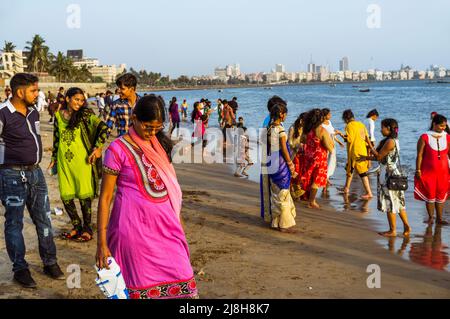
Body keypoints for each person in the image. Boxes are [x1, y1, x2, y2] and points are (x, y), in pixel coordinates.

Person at [96, 94, 198, 299]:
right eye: (148, 127)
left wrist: (180, 229)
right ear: (134, 118)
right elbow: (105, 198)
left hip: (167, 229)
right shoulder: (117, 149)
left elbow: (172, 194)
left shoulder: (159, 146)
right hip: (133, 234)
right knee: (140, 288)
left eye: (157, 128)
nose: (151, 133)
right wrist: (101, 243)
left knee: (183, 277)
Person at [0, 73, 64, 288]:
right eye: (33, 91)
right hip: (11, 177)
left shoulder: (34, 112)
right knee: (14, 224)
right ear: (20, 92)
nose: (38, 94)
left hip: (36, 174)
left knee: (44, 219)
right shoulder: (2, 114)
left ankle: (50, 262)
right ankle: (20, 268)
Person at [49, 87, 108, 242]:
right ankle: (77, 226)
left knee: (84, 197)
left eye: (82, 100)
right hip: (64, 162)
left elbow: (104, 128)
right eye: (76, 99)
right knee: (66, 196)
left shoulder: (86, 115)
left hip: (83, 162)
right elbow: (56, 139)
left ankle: (87, 229)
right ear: (67, 99)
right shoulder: (58, 116)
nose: (79, 103)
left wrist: (97, 148)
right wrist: (54, 157)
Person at [358, 119, 411, 237]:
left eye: (382, 127)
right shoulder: (392, 141)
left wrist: (368, 141)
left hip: (388, 175)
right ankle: (406, 225)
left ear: (388, 128)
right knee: (398, 202)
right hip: (393, 173)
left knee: (390, 203)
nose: (380, 129)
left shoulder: (390, 142)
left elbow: (378, 156)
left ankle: (393, 230)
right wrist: (365, 158)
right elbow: (381, 158)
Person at [260, 99, 297, 233]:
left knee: (275, 193)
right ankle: (284, 224)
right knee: (283, 193)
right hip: (281, 164)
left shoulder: (269, 128)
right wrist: (290, 163)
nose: (286, 116)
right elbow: (284, 150)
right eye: (285, 114)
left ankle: (275, 222)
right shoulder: (280, 130)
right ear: (281, 114)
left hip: (271, 162)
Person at [414, 114, 450, 225]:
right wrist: (418, 170)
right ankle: (431, 218)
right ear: (434, 124)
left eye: (445, 126)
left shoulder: (447, 137)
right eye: (441, 126)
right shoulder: (424, 137)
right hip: (427, 172)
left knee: (440, 195)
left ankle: (439, 218)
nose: (443, 128)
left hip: (444, 172)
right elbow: (419, 155)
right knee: (430, 195)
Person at [300, 109, 334, 209]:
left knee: (311, 178)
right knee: (316, 180)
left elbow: (303, 140)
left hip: (309, 156)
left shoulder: (308, 129)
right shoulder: (322, 130)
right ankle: (311, 201)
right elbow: (330, 147)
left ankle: (310, 199)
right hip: (319, 157)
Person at [342, 109, 373, 199]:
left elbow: (349, 139)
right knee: (350, 170)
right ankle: (346, 188)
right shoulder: (361, 124)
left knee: (362, 173)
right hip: (362, 150)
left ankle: (369, 193)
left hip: (354, 152)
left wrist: (340, 135)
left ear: (345, 119)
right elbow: (366, 138)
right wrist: (370, 150)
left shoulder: (348, 126)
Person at [104, 73, 140, 138]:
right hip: (123, 144)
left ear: (131, 89)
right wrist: (99, 144)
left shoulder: (143, 103)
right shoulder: (116, 104)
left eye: (122, 89)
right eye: (119, 88)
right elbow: (108, 127)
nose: (119, 91)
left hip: (140, 144)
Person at [321, 108, 345, 190]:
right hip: (326, 145)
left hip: (332, 144)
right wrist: (337, 133)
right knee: (328, 161)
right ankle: (325, 178)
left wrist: (339, 142)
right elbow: (328, 134)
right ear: (324, 116)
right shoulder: (322, 125)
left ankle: (326, 178)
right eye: (329, 114)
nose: (330, 115)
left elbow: (332, 133)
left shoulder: (329, 122)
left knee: (332, 161)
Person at [288, 112, 307, 200]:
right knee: (294, 172)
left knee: (300, 173)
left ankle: (296, 191)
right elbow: (289, 142)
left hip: (302, 154)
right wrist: (297, 146)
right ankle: (291, 190)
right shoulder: (292, 128)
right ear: (301, 120)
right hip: (294, 153)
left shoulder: (304, 129)